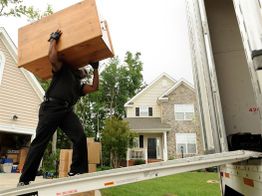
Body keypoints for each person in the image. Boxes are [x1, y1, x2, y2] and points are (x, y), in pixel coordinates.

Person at [18, 30, 99, 186]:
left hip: (66, 111)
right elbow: (52, 57)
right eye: (84, 69)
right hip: (51, 107)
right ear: (78, 68)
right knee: (41, 142)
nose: (85, 72)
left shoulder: (79, 87)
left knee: (80, 136)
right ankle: (24, 179)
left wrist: (95, 69)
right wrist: (53, 40)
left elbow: (95, 87)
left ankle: (76, 170)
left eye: (86, 72)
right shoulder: (64, 69)